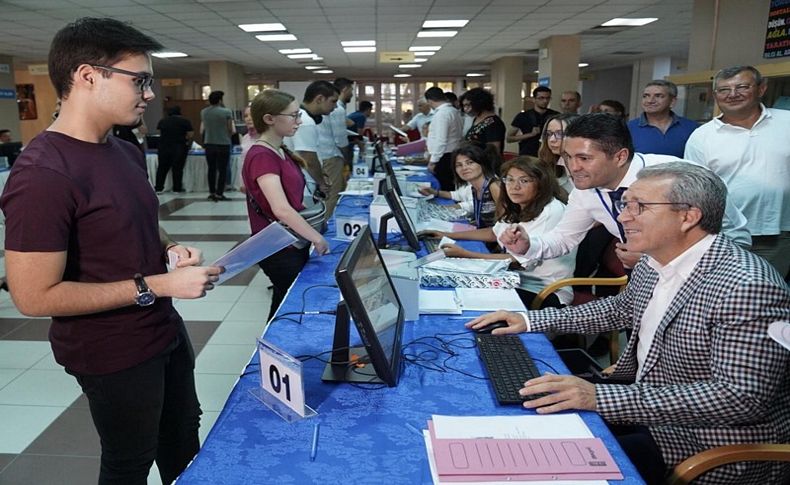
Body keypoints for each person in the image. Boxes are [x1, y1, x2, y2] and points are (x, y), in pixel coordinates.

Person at [467, 162, 790, 485]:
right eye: (625, 204)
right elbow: (619, 309)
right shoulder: (657, 257)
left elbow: (739, 398)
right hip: (651, 405)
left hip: (706, 442)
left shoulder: (748, 286)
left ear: (688, 217)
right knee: (529, 425)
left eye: (640, 207)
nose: (623, 217)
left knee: (549, 469)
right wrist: (528, 320)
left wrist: (600, 398)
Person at [0, 17, 222, 484]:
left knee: (183, 440)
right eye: (139, 80)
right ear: (86, 76)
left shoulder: (123, 149)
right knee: (129, 461)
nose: (149, 94)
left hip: (162, 328)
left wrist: (172, 247)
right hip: (112, 349)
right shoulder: (43, 172)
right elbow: (33, 297)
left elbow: (136, 223)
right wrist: (159, 285)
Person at [498, 114, 750, 270]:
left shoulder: (682, 176)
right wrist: (527, 245)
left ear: (620, 157)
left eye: (584, 158)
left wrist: (659, 258)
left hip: (704, 281)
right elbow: (564, 238)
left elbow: (736, 239)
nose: (573, 167)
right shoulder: (585, 191)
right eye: (568, 157)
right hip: (642, 280)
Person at [423, 156, 575, 309]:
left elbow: (517, 259)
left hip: (541, 290)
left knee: (463, 300)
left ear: (541, 184)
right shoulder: (518, 204)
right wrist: (446, 235)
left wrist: (465, 254)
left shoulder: (550, 211)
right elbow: (494, 233)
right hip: (513, 278)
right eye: (509, 180)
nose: (515, 187)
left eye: (524, 181)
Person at [685, 65, 790, 278]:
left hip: (781, 232)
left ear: (761, 89)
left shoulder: (786, 122)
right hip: (725, 233)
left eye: (742, 87)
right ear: (715, 96)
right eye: (724, 90)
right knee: (726, 294)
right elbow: (695, 190)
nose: (733, 95)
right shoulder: (702, 136)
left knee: (770, 294)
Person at [243, 89, 330, 320]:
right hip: (279, 246)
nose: (299, 121)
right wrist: (316, 237)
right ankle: (275, 351)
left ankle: (274, 351)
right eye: (293, 116)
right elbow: (280, 208)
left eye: (298, 114)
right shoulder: (262, 156)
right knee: (289, 306)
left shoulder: (279, 150)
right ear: (269, 119)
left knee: (285, 302)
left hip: (291, 240)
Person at [419, 142, 502, 229]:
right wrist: (436, 193)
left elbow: (504, 228)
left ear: (482, 164)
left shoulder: (494, 187)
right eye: (459, 165)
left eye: (469, 163)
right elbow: (459, 195)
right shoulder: (474, 187)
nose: (464, 168)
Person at [283, 80, 339, 202]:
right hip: (305, 184)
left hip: (300, 181)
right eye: (333, 101)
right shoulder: (305, 122)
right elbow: (308, 158)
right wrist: (322, 183)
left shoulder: (301, 116)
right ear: (319, 99)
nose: (336, 106)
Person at [628, 80, 698, 158]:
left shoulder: (691, 128)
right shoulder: (628, 128)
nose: (650, 101)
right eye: (646, 96)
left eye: (658, 96)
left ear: (672, 101)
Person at [425, 86, 463, 191]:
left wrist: (433, 162)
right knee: (449, 186)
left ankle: (445, 207)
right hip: (452, 154)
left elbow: (441, 141)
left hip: (444, 157)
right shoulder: (454, 111)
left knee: (443, 187)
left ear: (429, 101)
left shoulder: (442, 114)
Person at [200, 90, 234, 201]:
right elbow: (230, 129)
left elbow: (203, 129)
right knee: (222, 169)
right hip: (223, 143)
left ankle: (212, 192)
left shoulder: (204, 112)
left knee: (211, 169)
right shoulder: (226, 112)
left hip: (209, 143)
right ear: (220, 100)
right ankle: (220, 193)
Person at [507, 86, 558, 157]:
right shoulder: (523, 116)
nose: (545, 101)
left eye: (548, 98)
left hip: (549, 155)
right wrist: (530, 134)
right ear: (534, 99)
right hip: (527, 155)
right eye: (541, 98)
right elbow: (509, 138)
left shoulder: (556, 116)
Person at [536, 112, 579, 196]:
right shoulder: (551, 163)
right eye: (549, 134)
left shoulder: (591, 165)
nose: (552, 139)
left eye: (560, 134)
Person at [155, 105, 193, 193]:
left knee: (162, 168)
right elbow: (190, 134)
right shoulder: (184, 121)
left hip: (164, 147)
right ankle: (177, 188)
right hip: (179, 146)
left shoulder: (163, 121)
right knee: (177, 168)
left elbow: (160, 132)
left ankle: (159, 188)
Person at [462, 87, 506, 155]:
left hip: (486, 162)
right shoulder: (477, 119)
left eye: (468, 105)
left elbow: (494, 149)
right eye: (464, 105)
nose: (465, 109)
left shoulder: (493, 122)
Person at [235, 105, 257, 192]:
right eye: (246, 116)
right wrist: (242, 182)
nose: (248, 118)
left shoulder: (266, 137)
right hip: (248, 184)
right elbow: (242, 162)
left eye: (252, 115)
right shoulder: (245, 138)